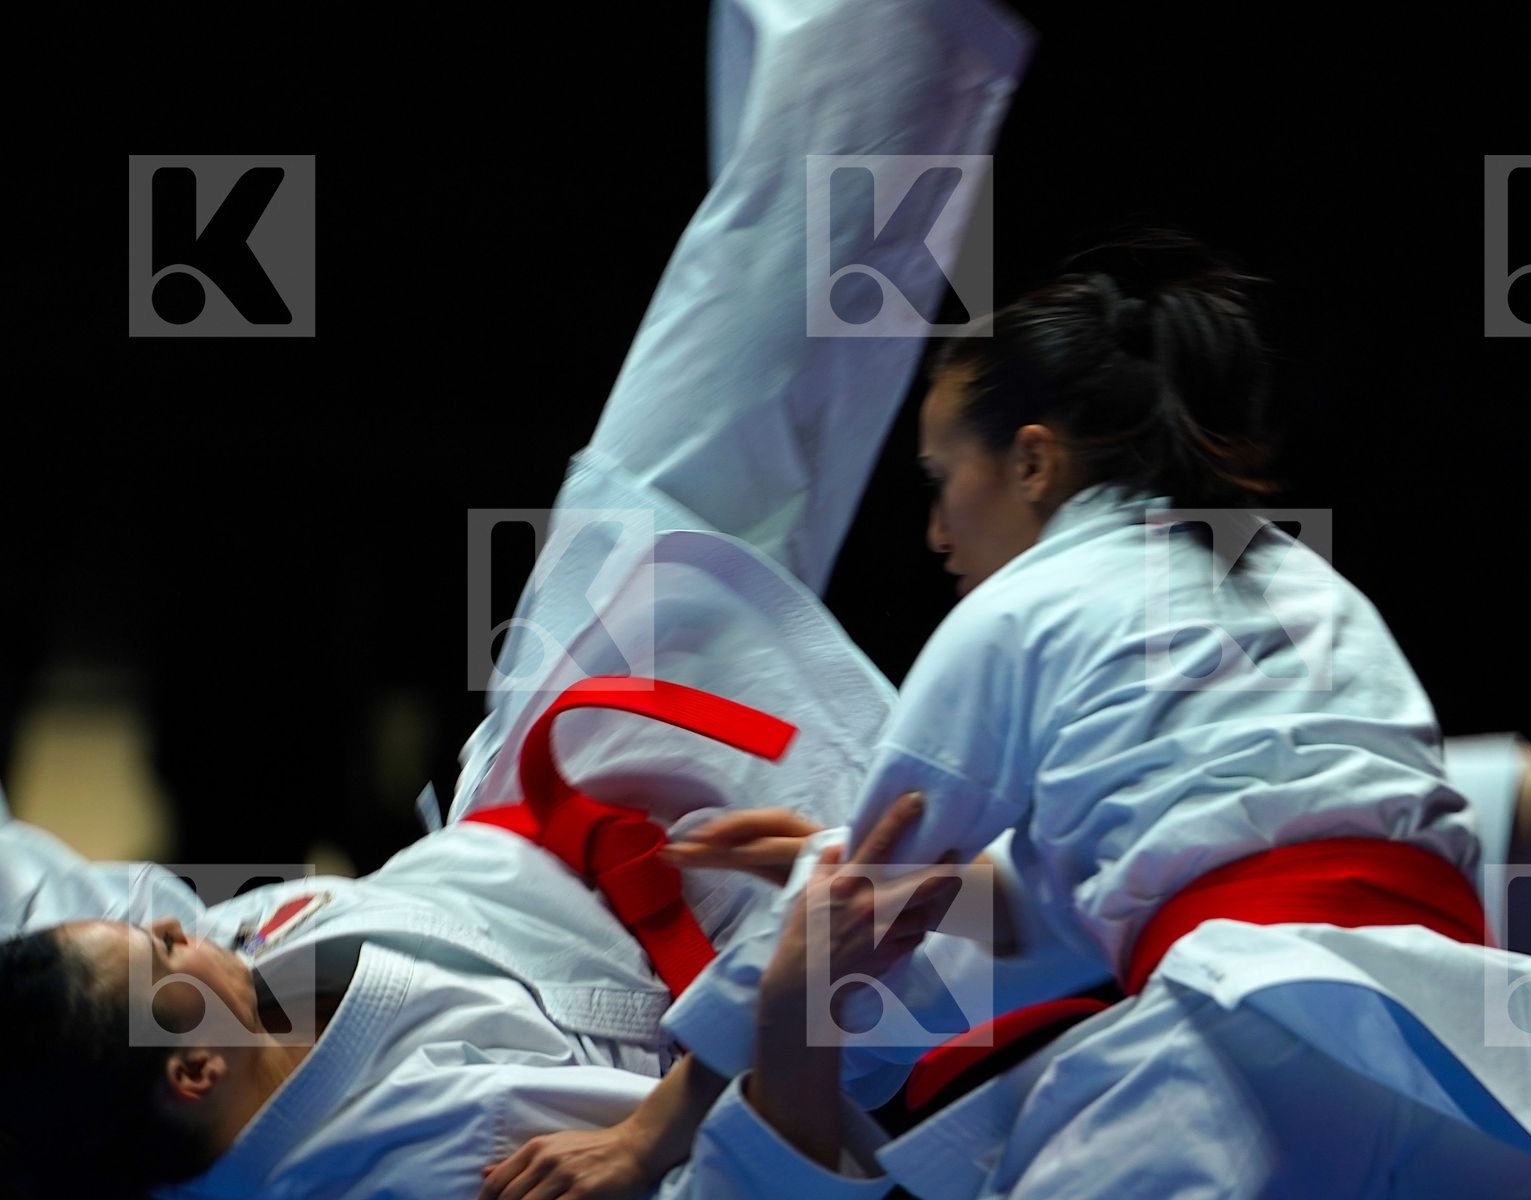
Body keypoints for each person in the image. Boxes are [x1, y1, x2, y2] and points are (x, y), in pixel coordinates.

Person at [0, 1, 1033, 1197]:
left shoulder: (194, 1033)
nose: (190, 928)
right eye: (168, 955)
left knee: (717, 381)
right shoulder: (431, 1161)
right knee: (1036, 861)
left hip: (548, 789)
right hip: (731, 925)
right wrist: (754, 1039)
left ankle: (881, 32)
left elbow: (122, 945)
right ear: (191, 1075)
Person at [555, 231, 1531, 1197]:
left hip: (1243, 1045)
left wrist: (657, 1130)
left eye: (940, 483)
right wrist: (874, 870)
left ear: (1032, 463)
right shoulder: (1310, 586)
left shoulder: (1020, 608)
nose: (932, 533)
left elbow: (854, 919)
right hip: (1459, 1047)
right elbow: (1112, 894)